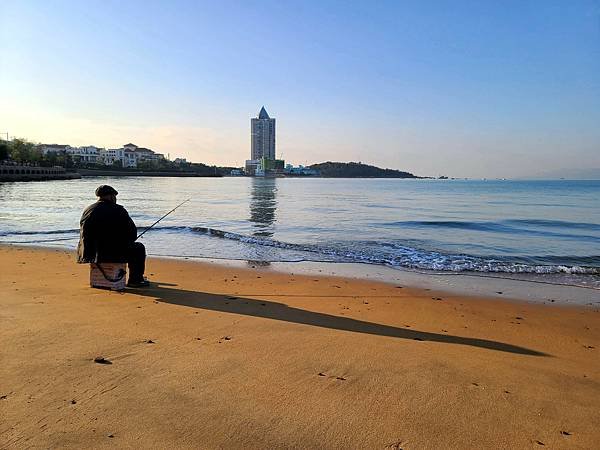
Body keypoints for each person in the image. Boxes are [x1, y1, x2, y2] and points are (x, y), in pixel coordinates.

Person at [77, 185, 149, 287]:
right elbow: (132, 233)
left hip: (90, 253)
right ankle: (135, 280)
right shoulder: (119, 210)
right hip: (111, 252)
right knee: (139, 248)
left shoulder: (88, 210)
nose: (115, 199)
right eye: (115, 196)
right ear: (111, 196)